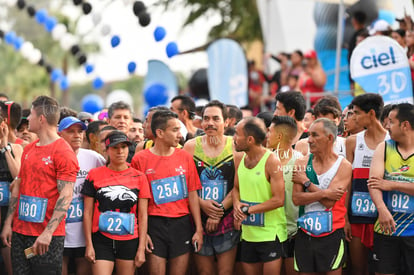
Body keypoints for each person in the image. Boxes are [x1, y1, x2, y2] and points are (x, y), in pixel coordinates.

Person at [1, 95, 79, 274]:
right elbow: (18, 186)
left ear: (41, 119)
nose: (27, 119)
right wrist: (8, 224)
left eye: (31, 115)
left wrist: (48, 233)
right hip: (20, 234)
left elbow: (66, 195)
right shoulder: (29, 149)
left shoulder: (63, 152)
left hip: (45, 239)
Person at [131, 110, 203, 275]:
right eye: (175, 130)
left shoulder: (185, 157)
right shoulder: (140, 159)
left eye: (180, 129)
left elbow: (192, 194)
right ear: (160, 133)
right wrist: (143, 233)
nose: (180, 134)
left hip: (181, 224)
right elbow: (135, 200)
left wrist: (198, 229)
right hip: (154, 224)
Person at [183, 100, 241, 275]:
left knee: (225, 271)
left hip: (227, 216)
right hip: (197, 217)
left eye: (216, 119)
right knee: (204, 272)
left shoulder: (236, 146)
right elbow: (184, 184)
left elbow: (239, 186)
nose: (210, 123)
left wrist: (219, 211)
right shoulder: (191, 147)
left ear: (227, 122)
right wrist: (201, 203)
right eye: (206, 118)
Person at [81, 130, 150, 275]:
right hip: (101, 239)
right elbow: (87, 212)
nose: (120, 152)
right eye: (115, 147)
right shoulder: (94, 174)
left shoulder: (140, 177)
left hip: (129, 239)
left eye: (123, 147)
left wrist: (141, 248)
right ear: (106, 150)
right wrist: (89, 245)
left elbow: (143, 215)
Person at [292, 118, 352, 275]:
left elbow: (328, 203)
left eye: (315, 135)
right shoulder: (301, 162)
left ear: (330, 138)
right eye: (309, 135)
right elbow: (296, 199)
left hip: (332, 234)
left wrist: (306, 183)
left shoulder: (343, 165)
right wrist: (325, 192)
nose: (309, 140)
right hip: (305, 232)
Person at [233, 117, 287, 275]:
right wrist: (236, 205)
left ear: (250, 139)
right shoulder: (240, 158)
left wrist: (249, 210)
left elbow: (279, 200)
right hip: (248, 234)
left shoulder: (272, 161)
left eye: (237, 134)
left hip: (270, 234)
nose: (233, 138)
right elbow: (236, 188)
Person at [345, 93, 389, 275]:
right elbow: (347, 182)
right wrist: (346, 218)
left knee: (383, 269)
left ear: (371, 113)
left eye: (356, 113)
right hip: (357, 215)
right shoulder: (353, 141)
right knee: (358, 268)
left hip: (384, 217)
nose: (353, 117)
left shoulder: (391, 141)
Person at [368, 103, 414, 274]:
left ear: (405, 125)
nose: (386, 126)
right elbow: (374, 183)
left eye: (391, 122)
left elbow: (383, 183)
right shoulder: (384, 147)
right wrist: (382, 209)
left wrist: (392, 184)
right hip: (386, 227)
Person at [58, 116, 106, 275]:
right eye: (70, 132)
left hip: (85, 231)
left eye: (80, 131)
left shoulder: (94, 158)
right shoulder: (52, 157)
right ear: (59, 134)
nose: (77, 135)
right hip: (59, 229)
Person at [266, 115, 302, 275]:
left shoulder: (301, 162)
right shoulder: (264, 160)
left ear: (279, 136)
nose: (266, 135)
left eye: (269, 131)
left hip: (295, 233)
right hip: (269, 231)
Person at [0, 112, 23, 275]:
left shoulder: (16, 148)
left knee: (10, 268)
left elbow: (18, 176)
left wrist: (5, 147)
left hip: (10, 216)